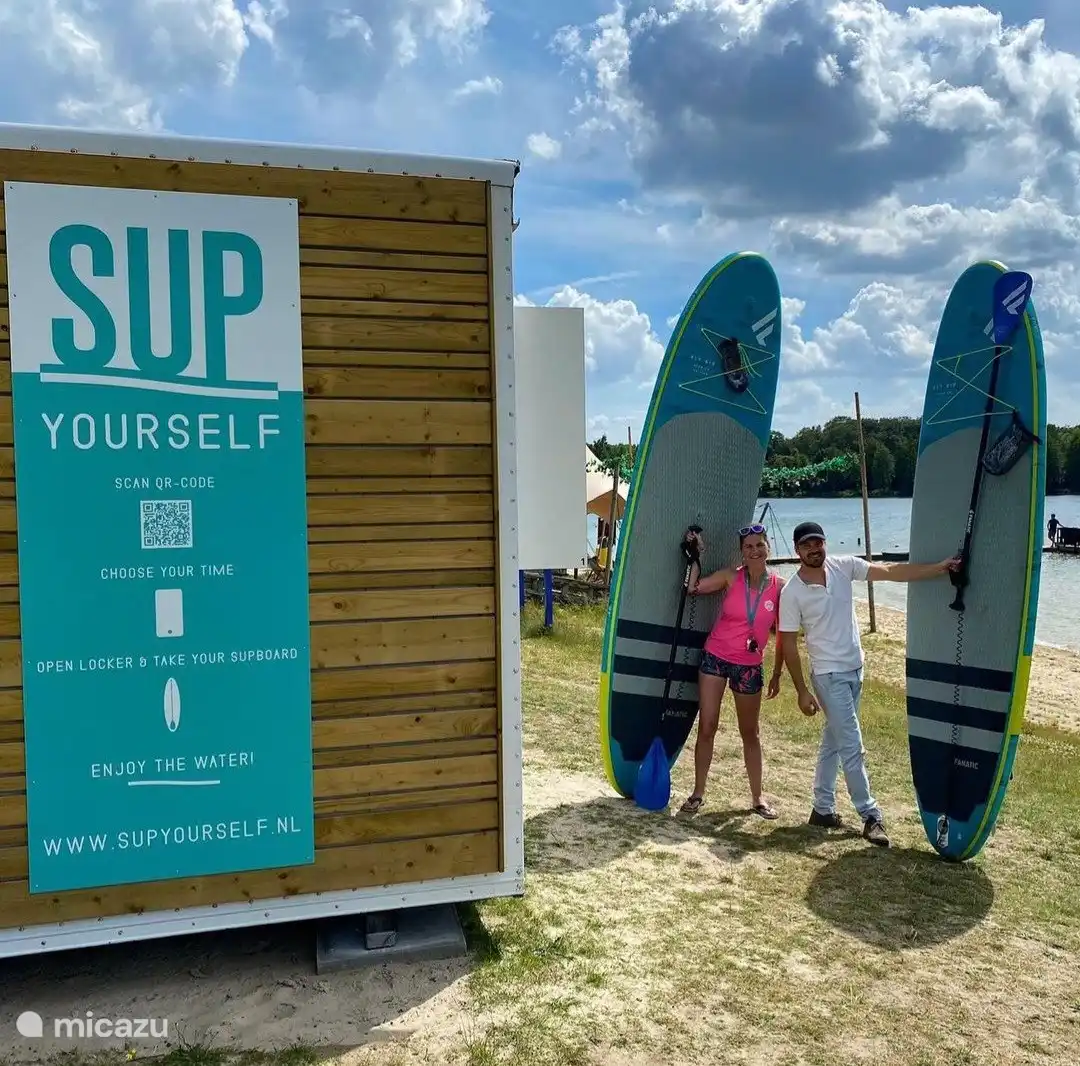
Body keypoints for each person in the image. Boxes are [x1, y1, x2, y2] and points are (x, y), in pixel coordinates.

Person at [777, 521, 958, 847]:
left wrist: (939, 568)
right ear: (797, 551)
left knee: (835, 741)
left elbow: (889, 571)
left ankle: (822, 808)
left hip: (855, 670)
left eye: (818, 542)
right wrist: (802, 689)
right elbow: (788, 643)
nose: (814, 549)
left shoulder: (843, 566)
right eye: (807, 545)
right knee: (853, 747)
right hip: (828, 676)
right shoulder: (791, 592)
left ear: (824, 543)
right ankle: (870, 815)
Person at [677, 523, 786, 818]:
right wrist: (696, 556)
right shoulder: (730, 577)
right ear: (742, 552)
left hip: (749, 666)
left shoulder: (780, 587)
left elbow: (786, 635)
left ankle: (757, 797)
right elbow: (693, 589)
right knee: (708, 725)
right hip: (716, 657)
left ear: (768, 548)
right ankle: (698, 793)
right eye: (748, 546)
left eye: (759, 545)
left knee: (750, 733)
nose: (754, 550)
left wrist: (777, 673)